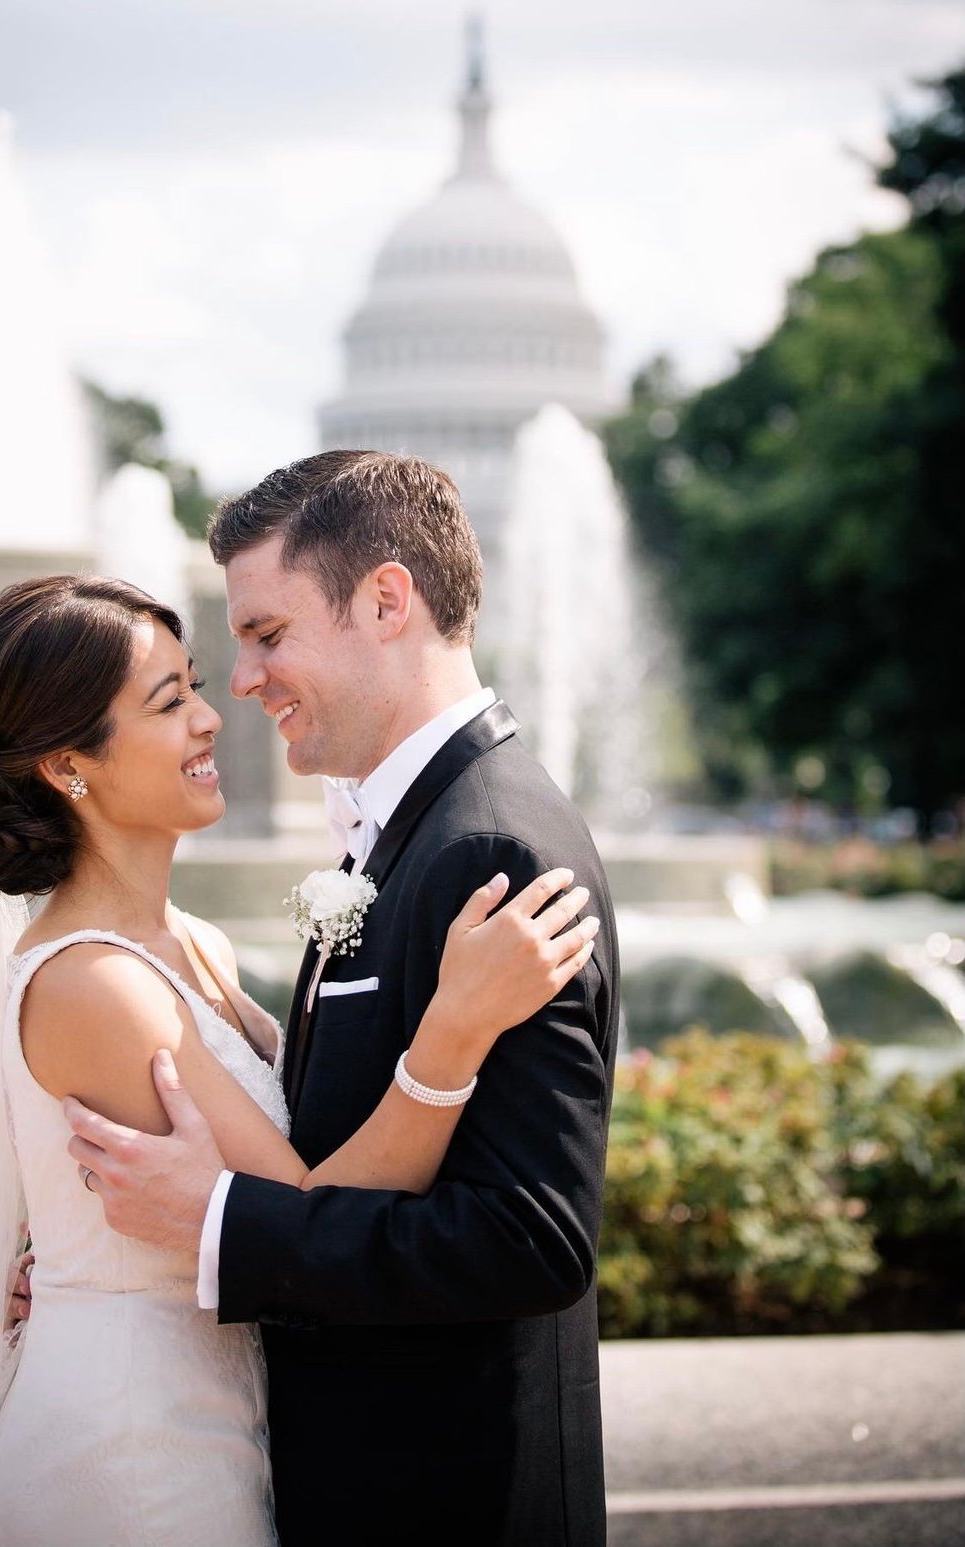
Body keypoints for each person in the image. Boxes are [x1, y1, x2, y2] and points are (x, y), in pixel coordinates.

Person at [0, 570, 596, 1547]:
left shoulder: (192, 944)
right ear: (69, 766)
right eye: (168, 701)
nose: (209, 717)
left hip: (213, 1415)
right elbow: (319, 1207)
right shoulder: (92, 985)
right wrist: (453, 1032)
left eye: (192, 683)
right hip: (130, 1449)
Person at [61, 451, 621, 1547]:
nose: (241, 678)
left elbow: (530, 1237)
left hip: (448, 1499)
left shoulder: (490, 848)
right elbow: (321, 1122)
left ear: (384, 600)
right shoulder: (409, 828)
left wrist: (217, 1221)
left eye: (268, 632)